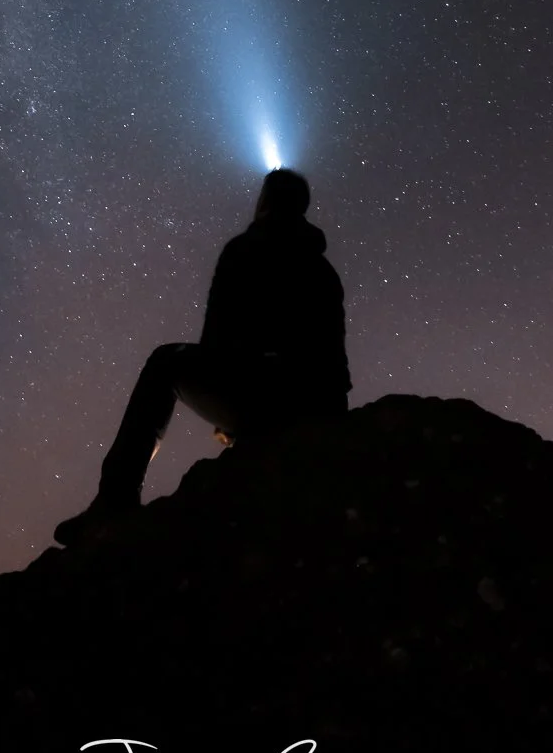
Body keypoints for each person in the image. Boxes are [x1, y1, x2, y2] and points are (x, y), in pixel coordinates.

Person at [53, 167, 349, 546]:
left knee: (164, 363)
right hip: (319, 405)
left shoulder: (246, 249)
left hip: (268, 400)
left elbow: (219, 343)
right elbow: (334, 361)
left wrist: (232, 416)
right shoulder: (324, 271)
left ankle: (115, 499)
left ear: (265, 202)